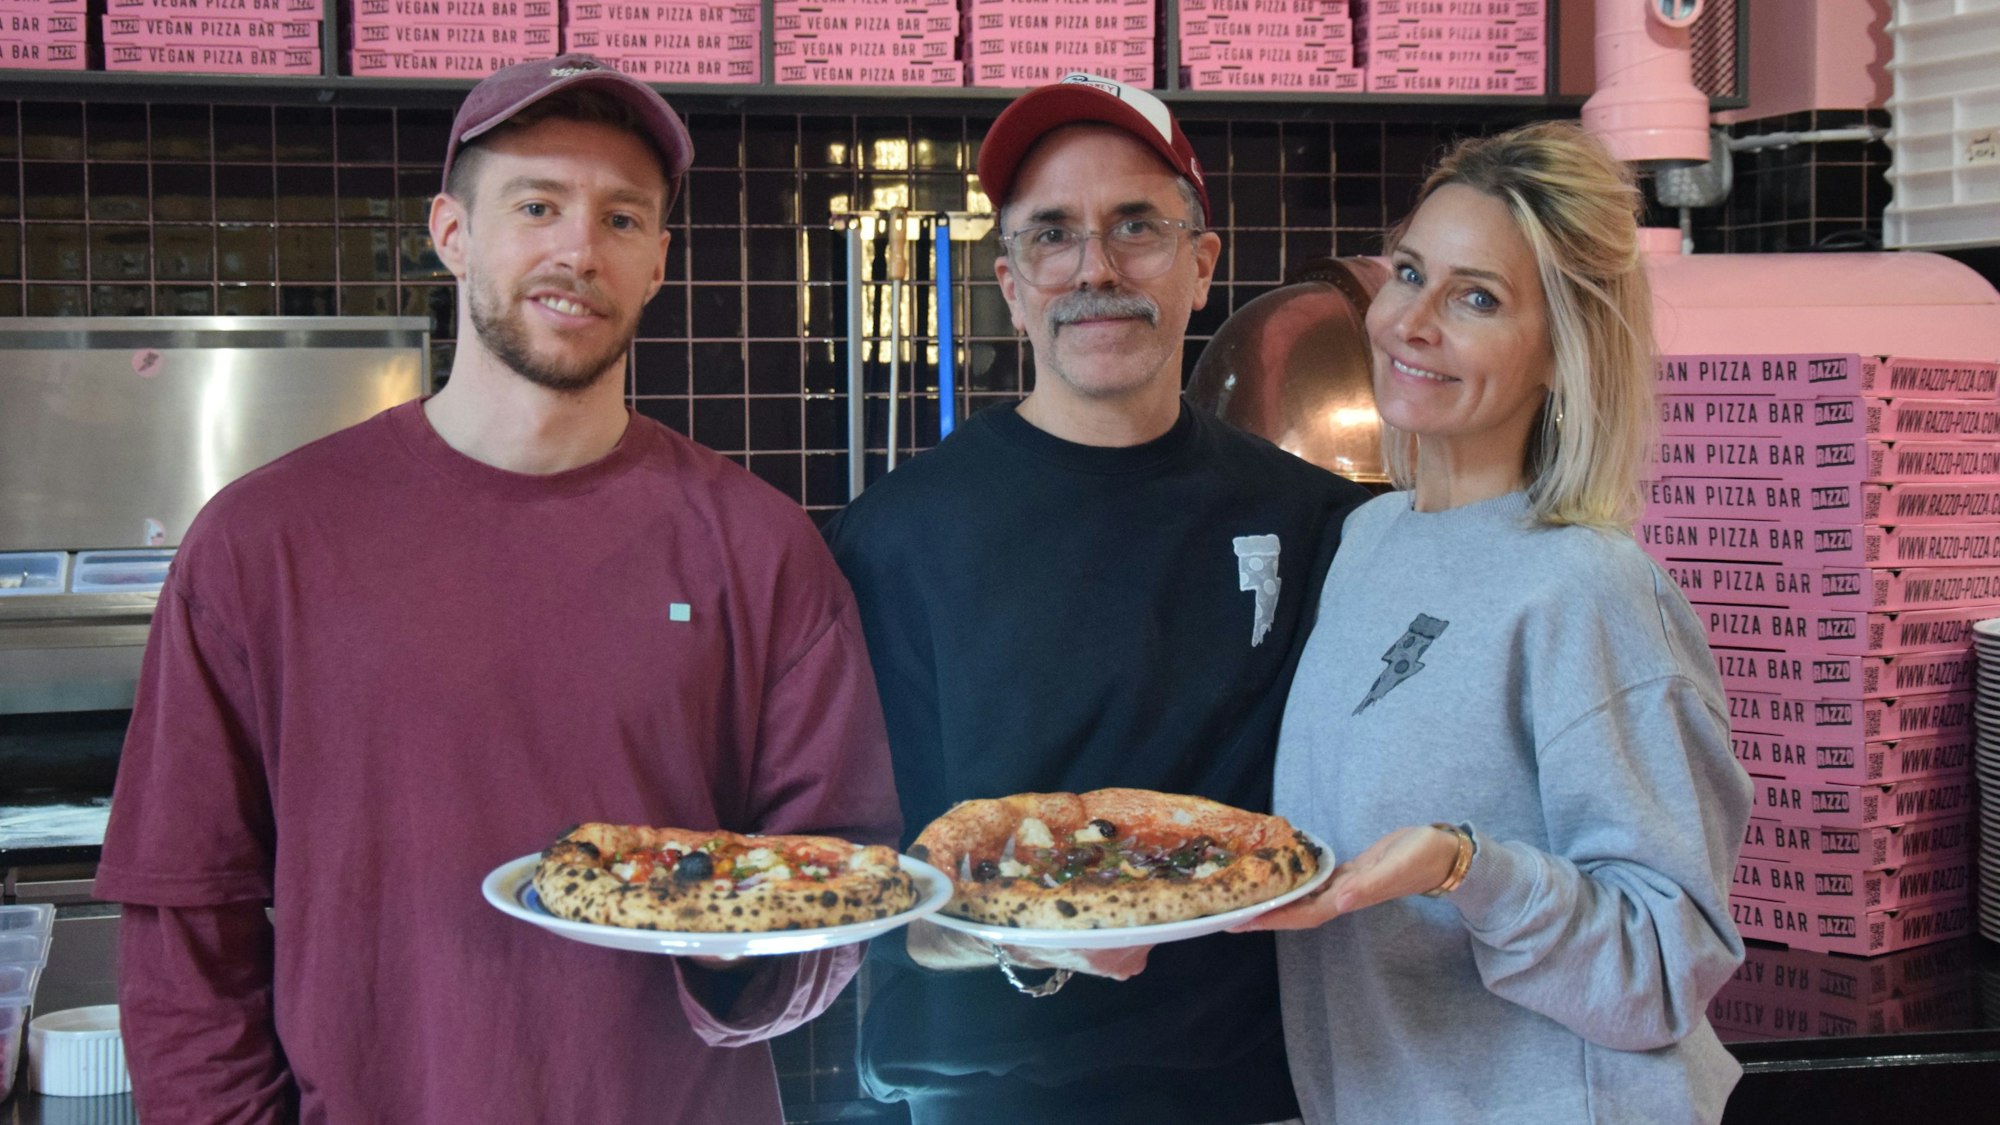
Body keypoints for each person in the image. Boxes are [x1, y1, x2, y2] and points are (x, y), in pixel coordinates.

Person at [94, 54, 901, 1124]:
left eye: (621, 219)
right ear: (450, 232)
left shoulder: (757, 545)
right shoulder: (263, 540)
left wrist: (742, 956)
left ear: (658, 262)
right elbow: (186, 917)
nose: (578, 247)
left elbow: (836, 867)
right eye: (536, 204)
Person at [823, 73, 1371, 1125]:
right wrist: (1030, 950)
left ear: (1201, 263)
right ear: (1011, 280)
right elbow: (873, 867)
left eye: (1136, 228)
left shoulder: (1313, 521)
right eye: (1052, 236)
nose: (1096, 270)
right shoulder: (900, 534)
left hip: (1248, 1086)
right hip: (979, 1089)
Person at [1237, 121, 1753, 1124]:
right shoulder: (1366, 543)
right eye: (1407, 273)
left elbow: (1661, 967)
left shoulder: (1588, 589)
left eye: (1475, 298)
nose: (1408, 322)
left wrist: (1463, 866)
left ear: (1562, 351)